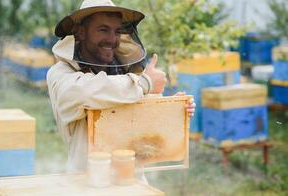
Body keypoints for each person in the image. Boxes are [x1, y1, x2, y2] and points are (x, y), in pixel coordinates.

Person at [47, 0, 195, 174]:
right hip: (86, 182)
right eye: (103, 29)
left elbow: (136, 121)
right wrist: (145, 83)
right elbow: (86, 93)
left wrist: (172, 109)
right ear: (81, 32)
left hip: (130, 178)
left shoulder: (126, 73)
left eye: (117, 31)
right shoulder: (61, 73)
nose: (111, 39)